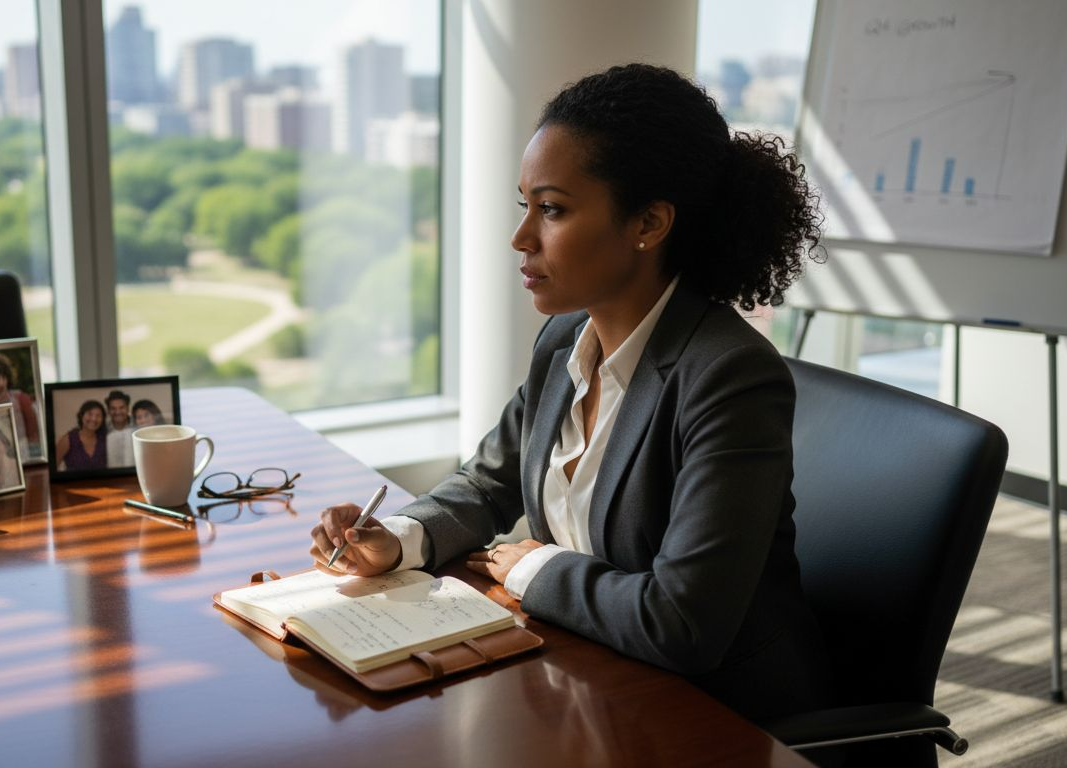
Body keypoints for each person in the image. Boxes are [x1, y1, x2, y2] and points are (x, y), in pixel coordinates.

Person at [309, 64, 829, 721]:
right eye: (524, 205)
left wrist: (531, 570)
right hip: (590, 672)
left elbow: (684, 623)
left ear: (648, 223)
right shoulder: (564, 340)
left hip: (715, 714)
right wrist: (400, 540)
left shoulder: (728, 377)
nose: (521, 237)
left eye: (551, 209)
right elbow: (488, 484)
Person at [56, 400, 108, 471]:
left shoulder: (104, 439)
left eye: (98, 416)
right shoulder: (68, 439)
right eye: (90, 414)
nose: (94, 419)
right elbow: (53, 468)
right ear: (81, 415)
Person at [104, 390, 135, 468]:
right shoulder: (102, 430)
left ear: (128, 408)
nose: (117, 412)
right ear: (108, 411)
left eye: (121, 408)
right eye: (113, 408)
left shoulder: (137, 426)